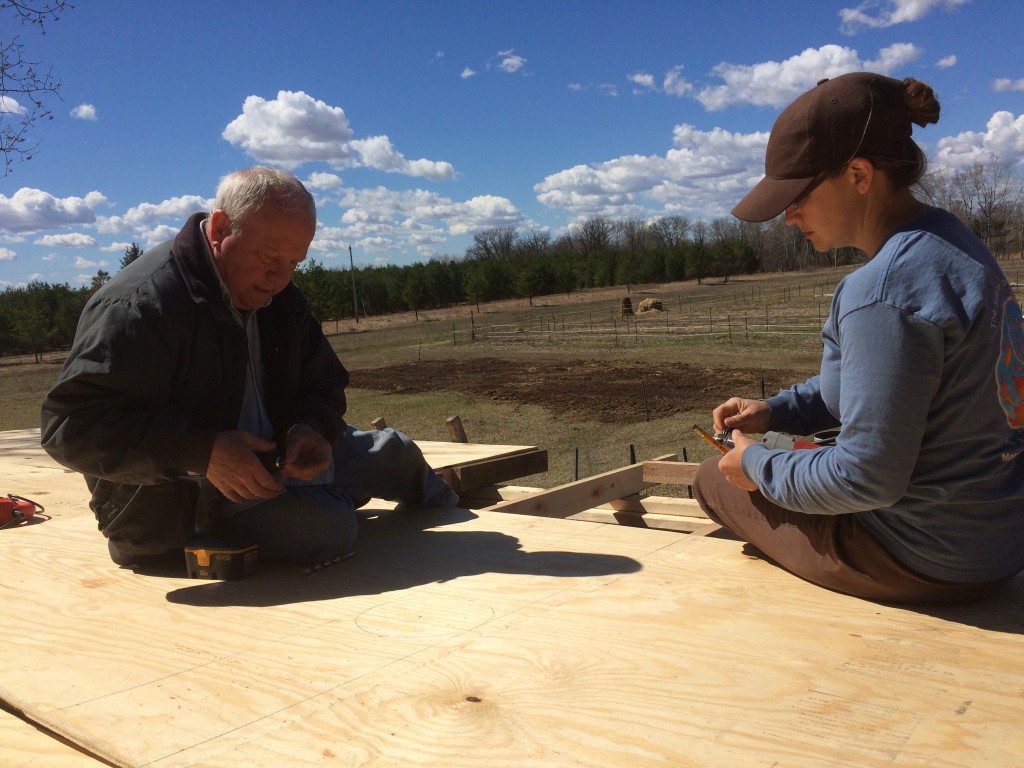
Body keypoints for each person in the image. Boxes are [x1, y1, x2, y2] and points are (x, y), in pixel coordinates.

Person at [693, 72, 1024, 605]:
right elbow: (873, 387)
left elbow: (867, 479)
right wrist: (774, 413)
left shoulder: (881, 292)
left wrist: (754, 465)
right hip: (999, 541)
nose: (787, 217)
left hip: (924, 560)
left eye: (797, 195)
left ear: (858, 175)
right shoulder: (952, 243)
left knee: (712, 479)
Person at [40, 166, 458, 568]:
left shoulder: (279, 296)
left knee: (396, 454)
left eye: (295, 262)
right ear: (221, 229)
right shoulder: (141, 306)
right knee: (327, 528)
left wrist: (307, 427)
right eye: (270, 257)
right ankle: (325, 499)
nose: (280, 278)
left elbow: (325, 382)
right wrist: (203, 452)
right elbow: (69, 429)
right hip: (177, 498)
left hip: (273, 458)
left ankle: (440, 524)